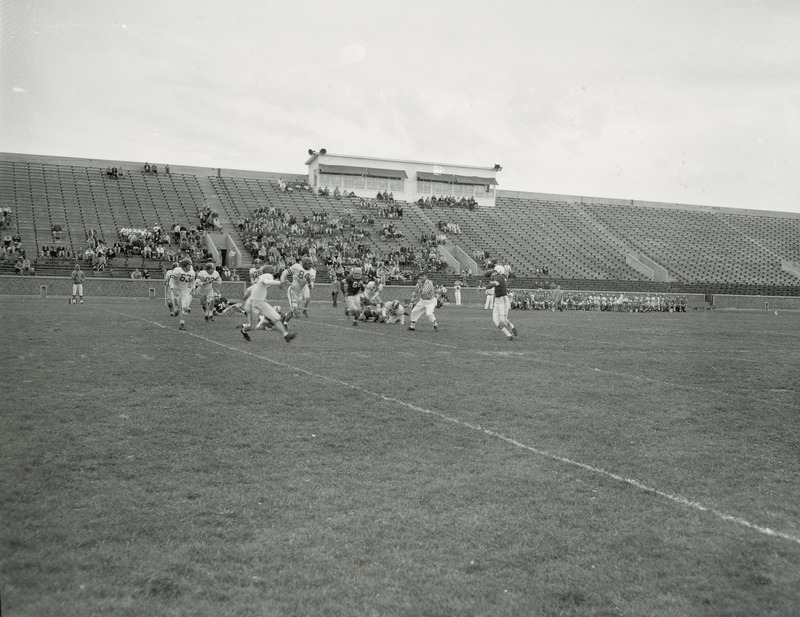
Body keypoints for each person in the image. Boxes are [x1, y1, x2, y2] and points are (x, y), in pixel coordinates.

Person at [236, 265, 296, 343]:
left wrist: (246, 295)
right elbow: (267, 281)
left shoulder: (260, 278)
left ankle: (286, 335)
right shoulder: (267, 276)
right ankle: (243, 330)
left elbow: (250, 288)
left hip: (261, 302)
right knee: (253, 327)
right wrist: (279, 282)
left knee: (276, 318)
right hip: (253, 304)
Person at [484, 264, 517, 341]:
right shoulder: (498, 276)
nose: (493, 273)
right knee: (496, 321)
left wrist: (487, 287)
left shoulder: (499, 278)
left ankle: (512, 326)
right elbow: (486, 275)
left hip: (503, 300)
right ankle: (508, 335)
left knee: (503, 320)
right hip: (497, 300)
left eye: (495, 271)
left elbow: (495, 283)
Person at [280, 256, 316, 324]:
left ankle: (283, 316)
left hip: (300, 292)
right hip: (293, 290)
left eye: (311, 264)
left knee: (295, 312)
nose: (310, 266)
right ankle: (285, 324)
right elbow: (285, 272)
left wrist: (309, 282)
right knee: (295, 310)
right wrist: (282, 280)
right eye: (309, 264)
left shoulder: (313, 272)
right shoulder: (296, 267)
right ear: (304, 264)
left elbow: (311, 287)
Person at [167, 258, 196, 330]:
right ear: (184, 266)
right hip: (176, 290)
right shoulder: (177, 271)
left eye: (190, 265)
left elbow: (193, 281)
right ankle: (176, 311)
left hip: (185, 291)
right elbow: (171, 282)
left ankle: (182, 323)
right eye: (188, 265)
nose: (190, 267)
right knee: (177, 310)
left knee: (185, 308)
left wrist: (193, 289)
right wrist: (174, 290)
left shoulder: (191, 273)